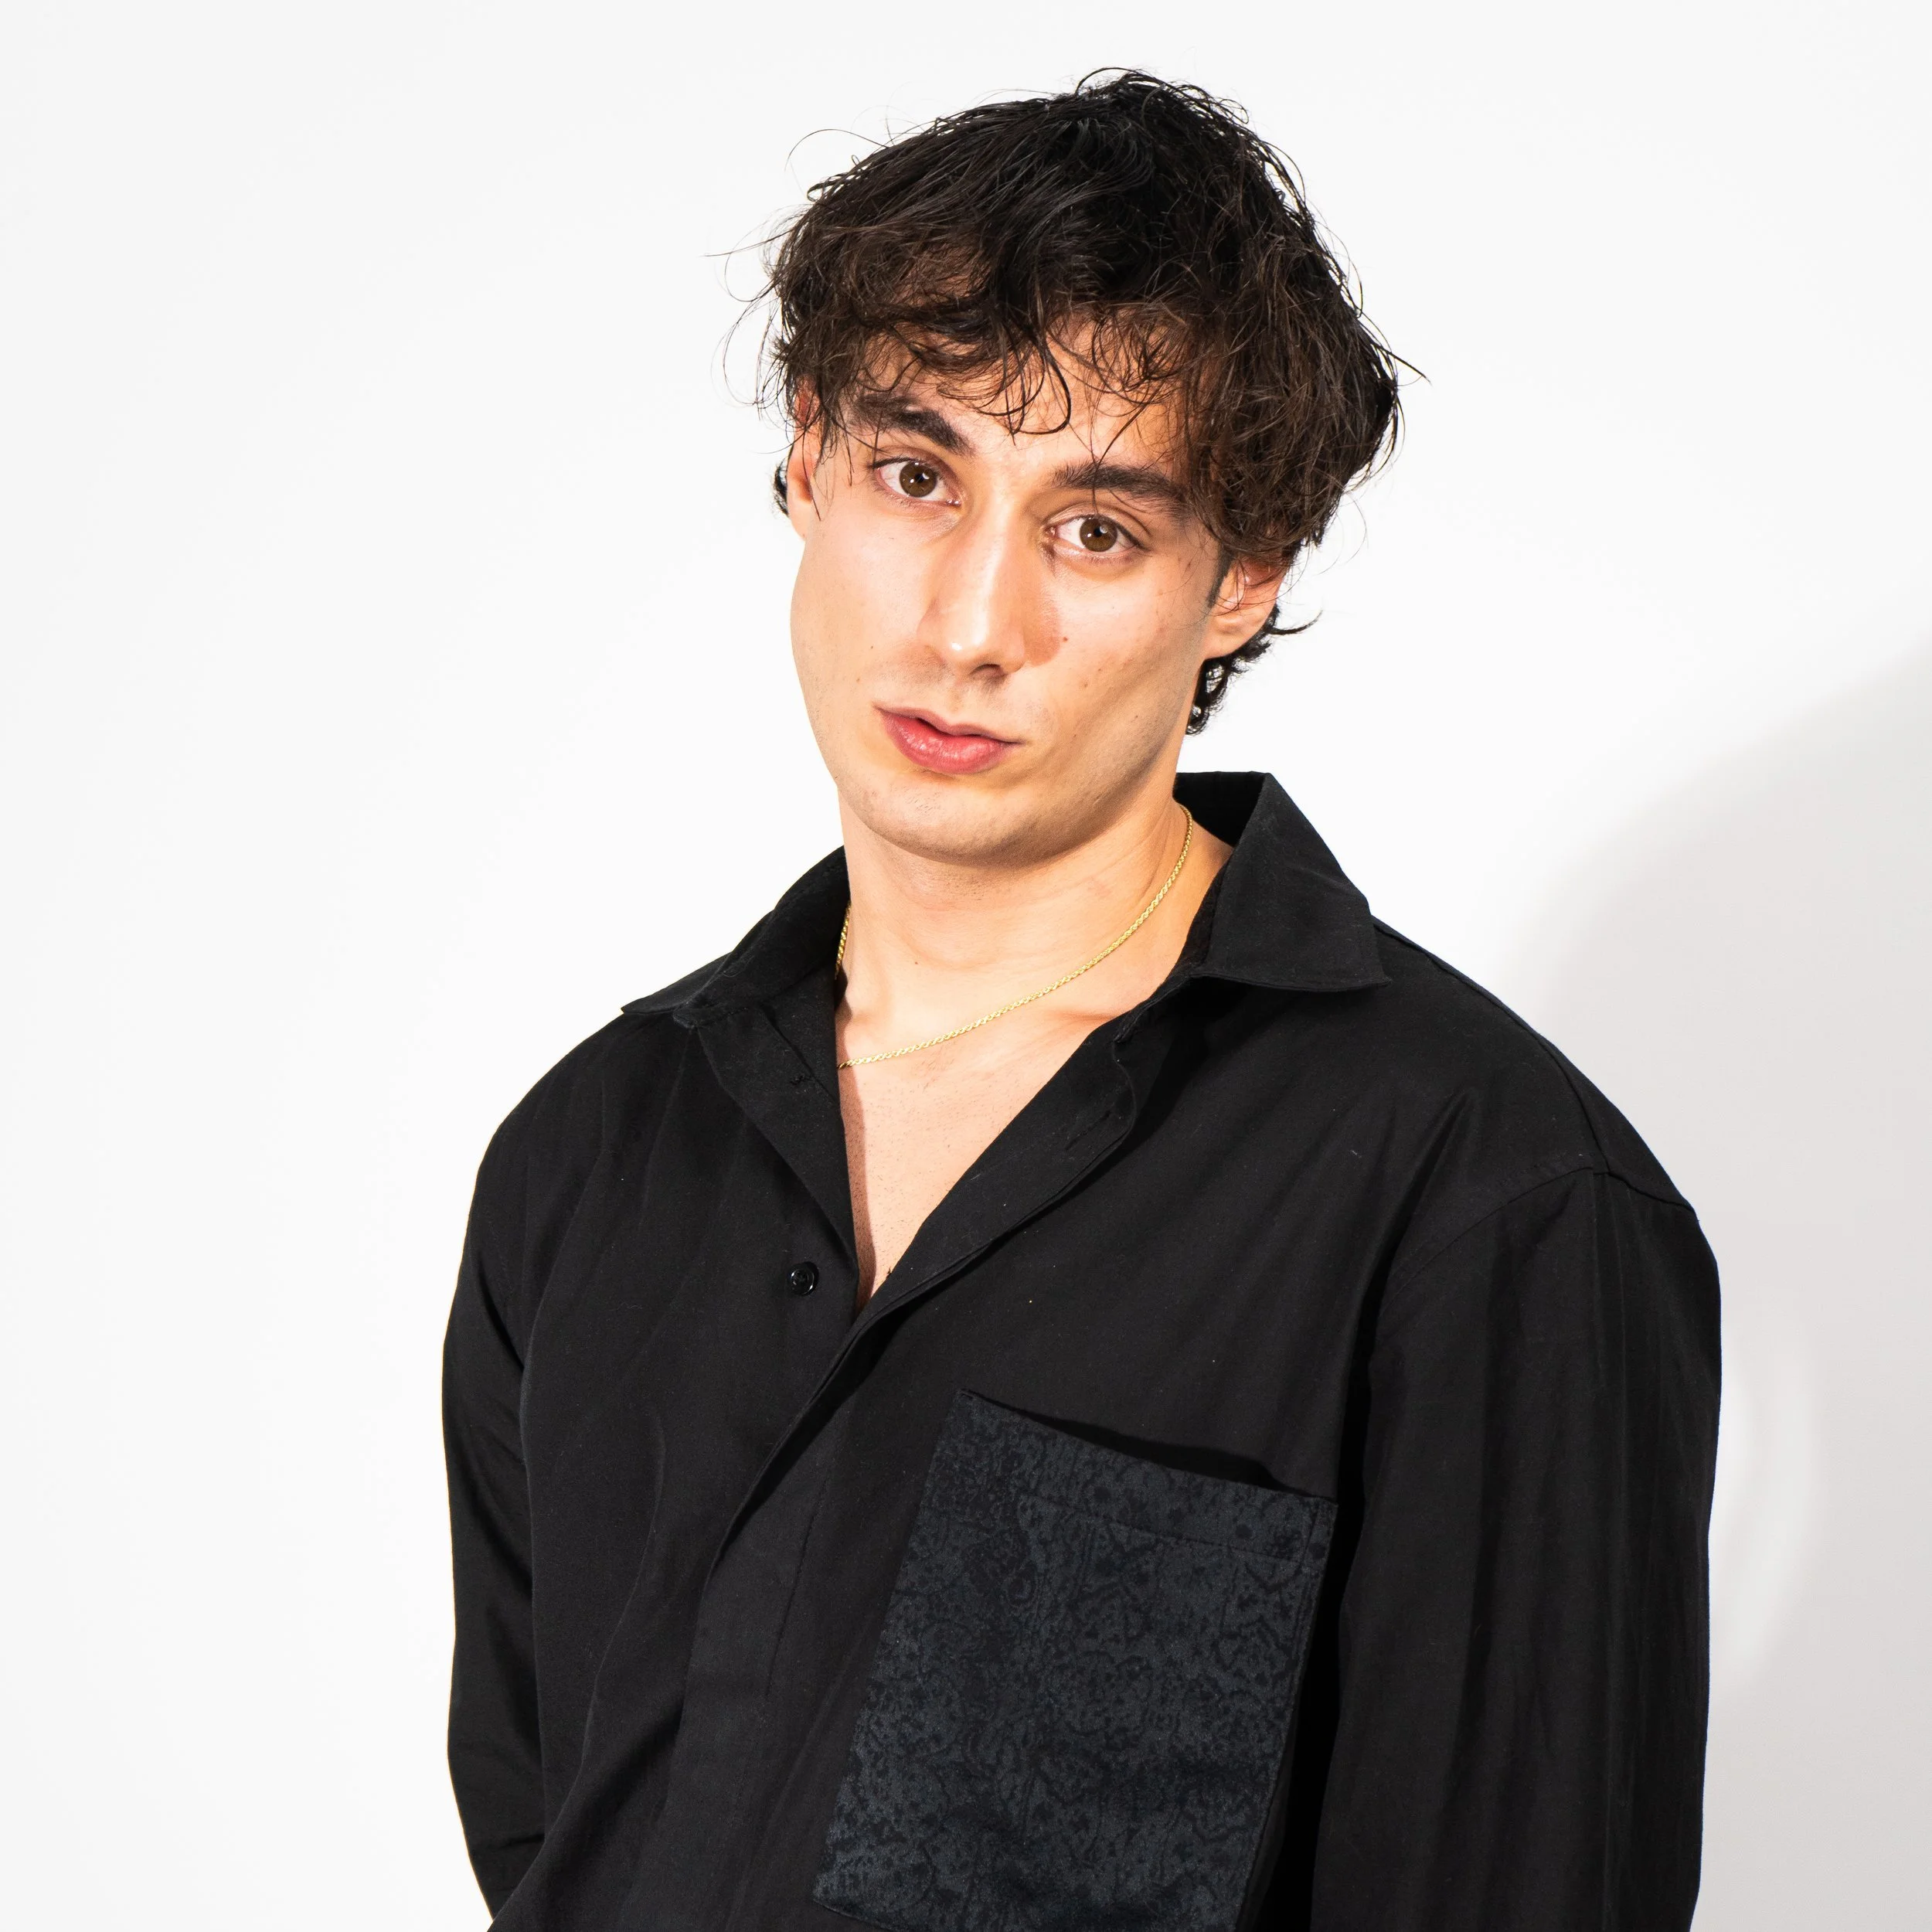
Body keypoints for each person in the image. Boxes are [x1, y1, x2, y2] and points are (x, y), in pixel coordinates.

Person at [442, 71, 1720, 1932]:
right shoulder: (591, 1151)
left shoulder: (1488, 1199)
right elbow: (555, 1844)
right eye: (914, 473)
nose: (972, 622)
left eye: (1096, 529)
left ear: (1241, 579)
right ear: (806, 455)